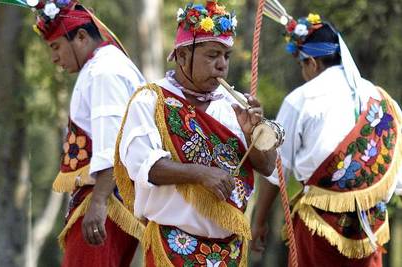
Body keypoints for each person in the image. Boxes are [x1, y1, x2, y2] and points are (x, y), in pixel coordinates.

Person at [114, 1, 277, 266]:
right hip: (174, 247)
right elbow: (144, 167)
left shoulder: (232, 104)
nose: (222, 65)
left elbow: (268, 166)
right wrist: (200, 174)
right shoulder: (151, 100)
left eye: (226, 56)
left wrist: (253, 135)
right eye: (212, 55)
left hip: (230, 251)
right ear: (182, 56)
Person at [251, 13, 402, 267]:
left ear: (311, 62)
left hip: (318, 230)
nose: (303, 74)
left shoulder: (302, 99)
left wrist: (259, 221)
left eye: (302, 66)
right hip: (369, 230)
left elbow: (276, 169)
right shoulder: (383, 100)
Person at [23, 0, 146, 266]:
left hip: (107, 198)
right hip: (113, 196)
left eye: (56, 46)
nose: (54, 58)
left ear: (80, 36)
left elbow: (112, 143)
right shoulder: (107, 64)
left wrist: (99, 203)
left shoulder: (104, 72)